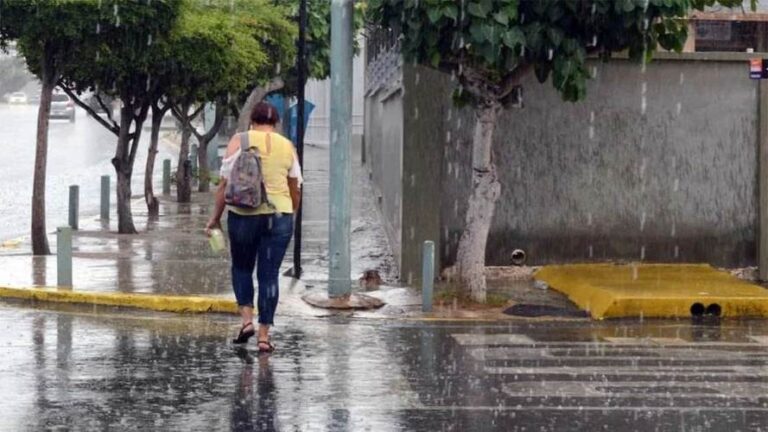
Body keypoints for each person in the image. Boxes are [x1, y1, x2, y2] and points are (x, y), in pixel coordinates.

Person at [206, 102, 302, 353]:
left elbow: (224, 185)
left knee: (241, 267)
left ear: (252, 120)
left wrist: (215, 217)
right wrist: (291, 212)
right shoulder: (287, 146)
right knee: (269, 275)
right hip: (278, 216)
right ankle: (263, 336)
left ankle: (246, 321)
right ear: (276, 122)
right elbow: (295, 186)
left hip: (243, 214)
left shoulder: (239, 140)